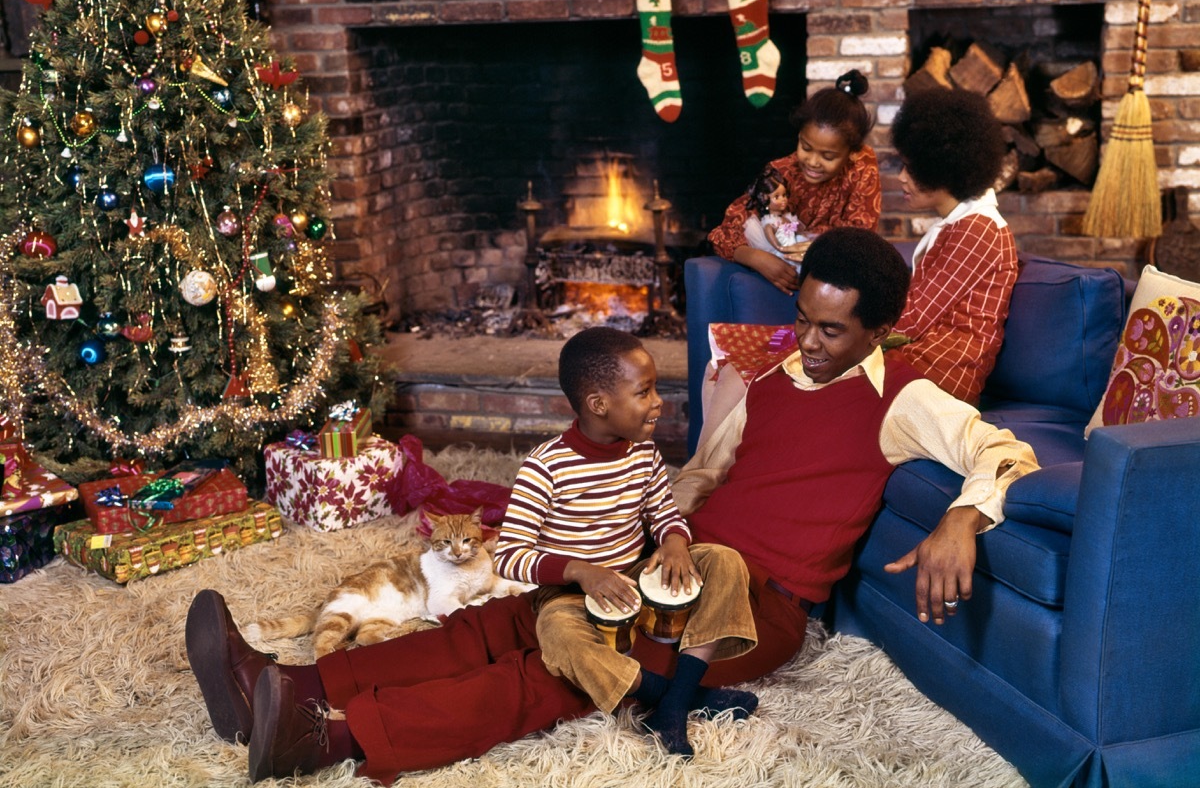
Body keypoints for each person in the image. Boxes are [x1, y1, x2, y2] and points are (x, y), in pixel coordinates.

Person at [184, 228, 1039, 785]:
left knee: (554, 671)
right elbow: (701, 475)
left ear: (879, 329)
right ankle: (288, 682)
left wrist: (963, 518)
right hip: (669, 565)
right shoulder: (773, 382)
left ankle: (328, 739)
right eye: (802, 319)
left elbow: (999, 451)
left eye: (832, 332)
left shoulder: (903, 398)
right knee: (514, 620)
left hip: (752, 608)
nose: (807, 344)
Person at [493, 326, 756, 757]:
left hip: (635, 574)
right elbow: (508, 557)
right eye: (645, 392)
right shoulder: (545, 467)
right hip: (571, 591)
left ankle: (678, 694)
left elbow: (665, 514)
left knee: (724, 561)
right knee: (558, 634)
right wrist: (580, 571)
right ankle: (670, 697)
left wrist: (673, 541)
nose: (658, 402)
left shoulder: (644, 454)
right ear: (599, 404)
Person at [888, 87, 1019, 405]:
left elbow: (911, 319)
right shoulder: (959, 224)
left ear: (943, 165)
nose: (901, 178)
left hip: (938, 378)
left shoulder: (978, 228)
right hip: (917, 363)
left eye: (912, 167)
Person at [707, 69, 881, 294]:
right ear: (799, 136)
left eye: (828, 156)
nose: (813, 162)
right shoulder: (780, 172)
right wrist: (756, 258)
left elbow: (861, 238)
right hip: (779, 279)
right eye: (806, 147)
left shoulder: (862, 165)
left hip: (835, 278)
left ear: (851, 153)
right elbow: (726, 230)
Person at [739, 165, 810, 269]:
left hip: (795, 247)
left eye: (784, 195)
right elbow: (777, 247)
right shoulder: (769, 224)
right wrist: (787, 249)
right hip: (783, 253)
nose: (783, 200)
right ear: (764, 199)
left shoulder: (787, 218)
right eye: (777, 197)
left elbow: (798, 233)